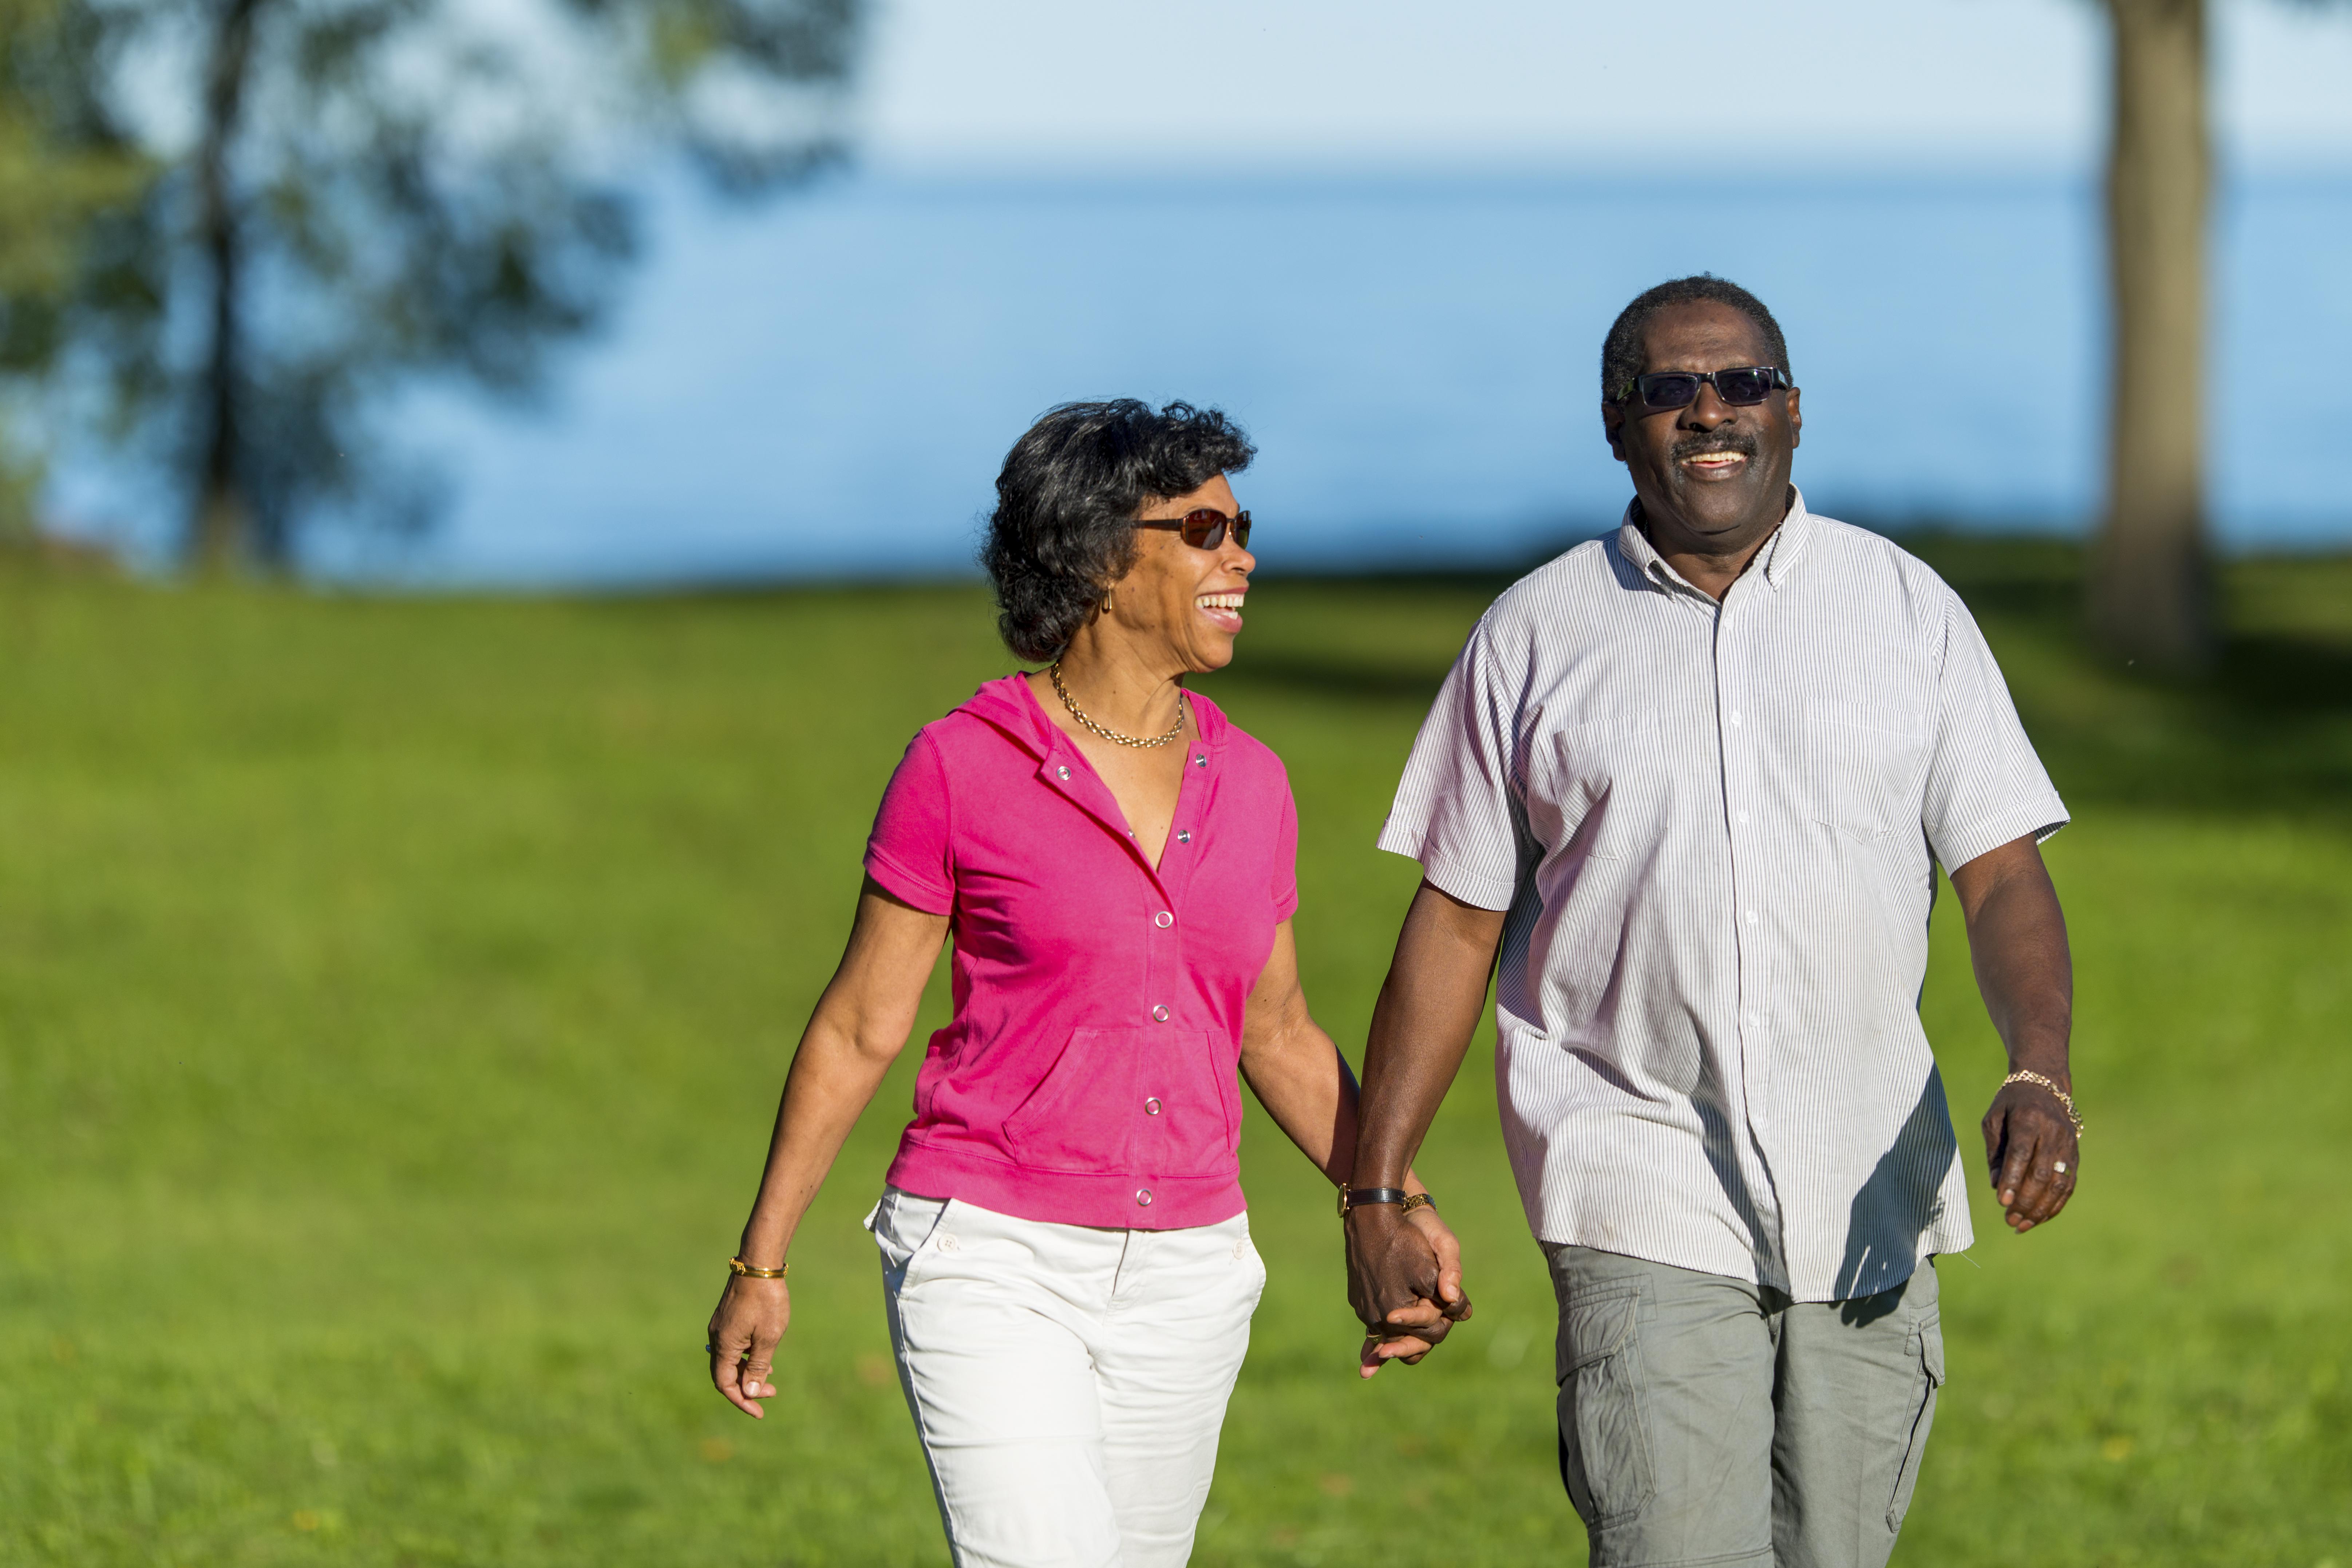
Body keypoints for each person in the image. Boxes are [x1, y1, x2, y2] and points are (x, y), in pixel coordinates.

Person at [1343, 276, 2080, 1568]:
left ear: (1793, 410)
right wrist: (1378, 1185)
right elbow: (1457, 920)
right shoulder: (1534, 635)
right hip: (1638, 1183)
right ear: (1618, 424)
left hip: (1869, 1189)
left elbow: (2004, 874)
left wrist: (2040, 1069)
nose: (1710, 411)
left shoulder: (1908, 612)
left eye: (1740, 382)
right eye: (1670, 389)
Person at [704, 399, 1463, 1568]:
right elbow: (862, 1025)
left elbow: (1281, 1033)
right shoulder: (962, 763)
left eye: (1241, 524)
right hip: (991, 1253)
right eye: (1205, 529)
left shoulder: (1253, 782)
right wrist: (763, 1262)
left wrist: (1393, 1198)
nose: (1243, 556)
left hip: (1191, 1272)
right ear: (1103, 555)